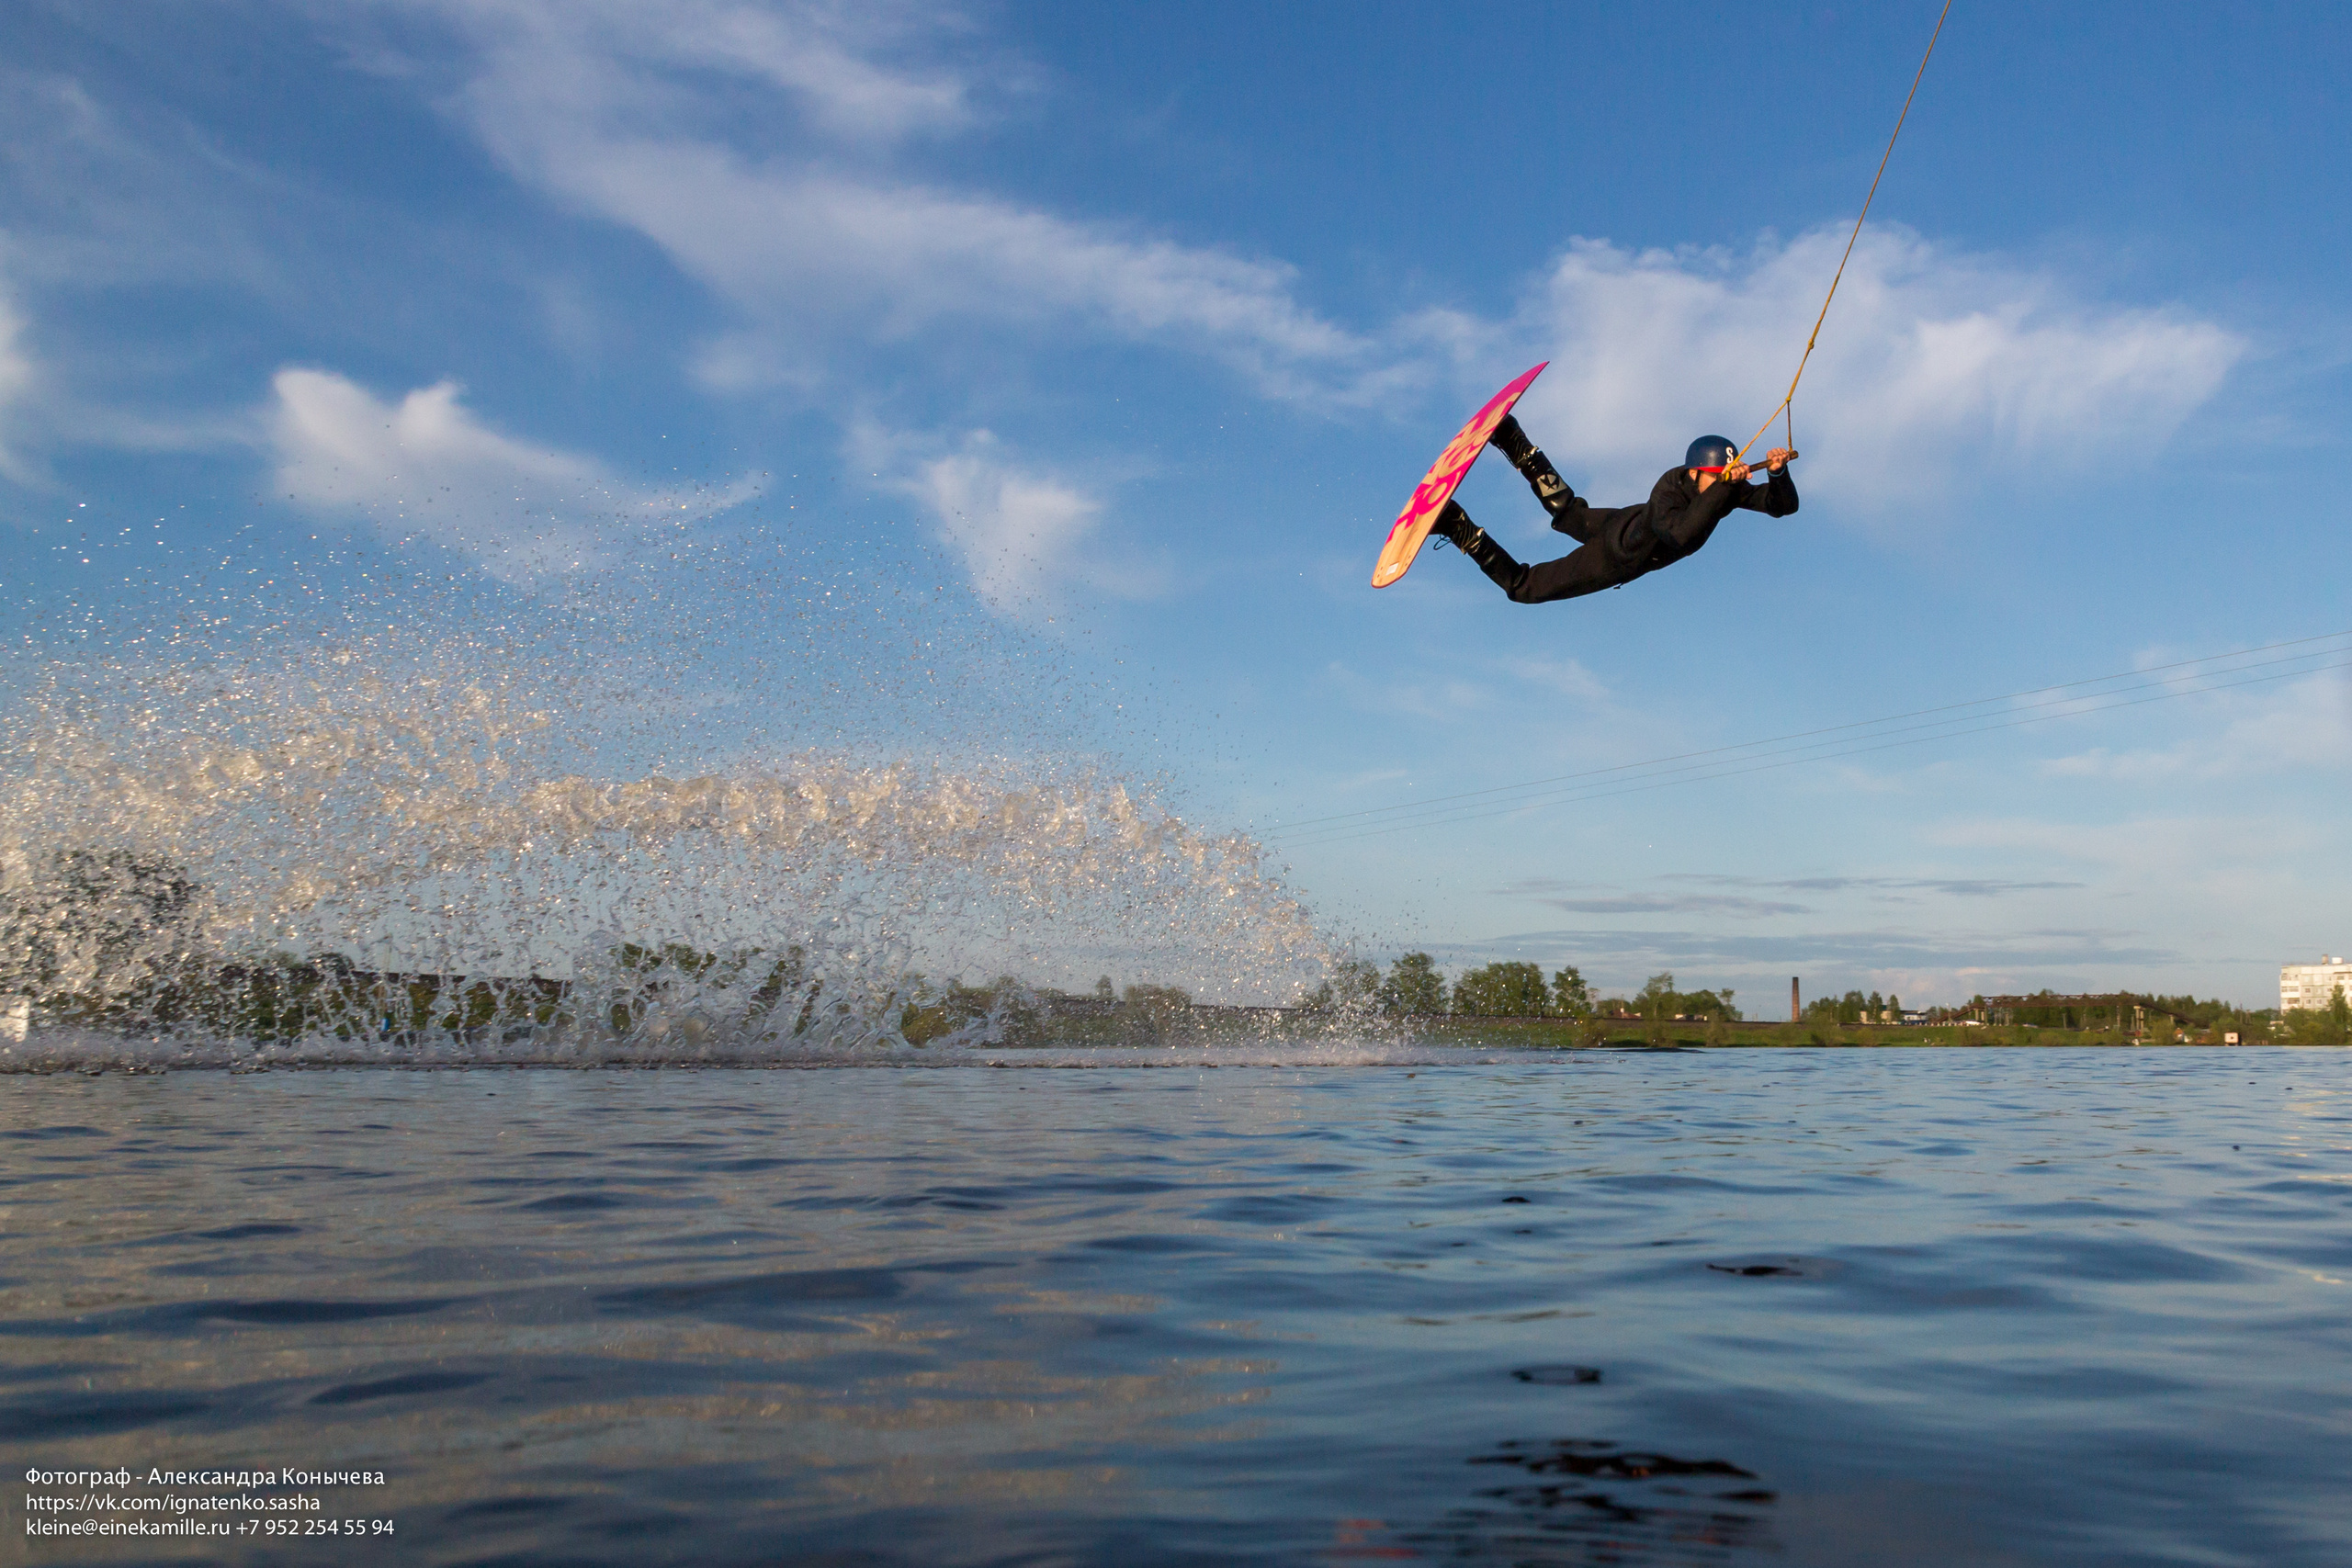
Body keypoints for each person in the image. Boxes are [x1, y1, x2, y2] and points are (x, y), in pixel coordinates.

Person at [1429, 417, 1798, 603]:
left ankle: (1508, 445)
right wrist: (1724, 487)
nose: (1726, 483)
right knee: (1523, 589)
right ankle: (1460, 525)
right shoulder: (1671, 486)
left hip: (1622, 523)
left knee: (1569, 513)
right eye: (1717, 477)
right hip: (1616, 555)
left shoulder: (1723, 490)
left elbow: (1782, 507)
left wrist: (1779, 475)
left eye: (1725, 478)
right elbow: (1682, 532)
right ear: (1695, 472)